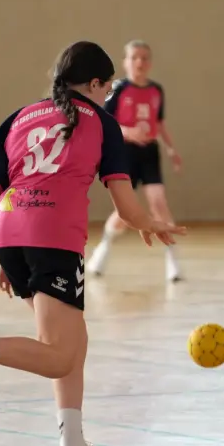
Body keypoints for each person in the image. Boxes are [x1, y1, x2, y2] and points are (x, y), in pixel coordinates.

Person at [0, 41, 185, 446]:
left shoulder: (20, 116)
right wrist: (150, 223)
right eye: (107, 87)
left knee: (73, 341)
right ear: (94, 84)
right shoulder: (103, 123)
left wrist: (4, 252)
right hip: (54, 235)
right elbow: (126, 206)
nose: (108, 95)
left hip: (7, 231)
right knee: (59, 356)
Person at [84, 41, 184, 282]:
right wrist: (128, 132)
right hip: (125, 152)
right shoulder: (118, 89)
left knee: (159, 203)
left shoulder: (156, 90)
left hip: (149, 152)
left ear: (150, 63)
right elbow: (103, 122)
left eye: (145, 58)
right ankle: (104, 248)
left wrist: (171, 149)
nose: (140, 62)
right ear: (126, 62)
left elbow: (159, 122)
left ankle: (172, 259)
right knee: (125, 211)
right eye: (135, 57)